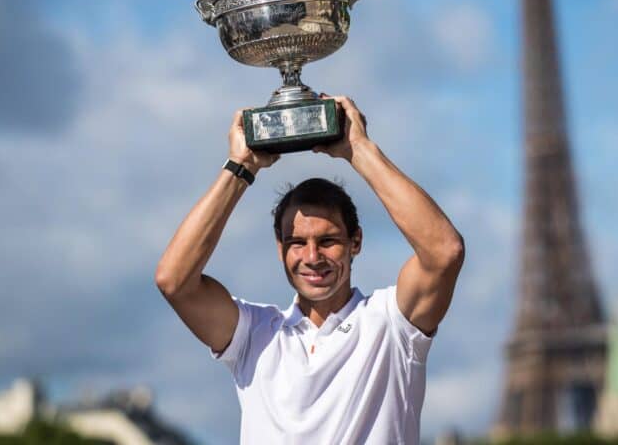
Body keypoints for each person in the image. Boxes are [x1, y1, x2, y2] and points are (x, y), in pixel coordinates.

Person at [155, 95, 465, 444]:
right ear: (280, 248)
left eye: (328, 240)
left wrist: (358, 150)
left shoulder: (391, 325)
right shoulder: (253, 334)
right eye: (297, 242)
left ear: (356, 242)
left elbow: (444, 251)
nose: (312, 256)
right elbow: (174, 281)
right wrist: (240, 165)